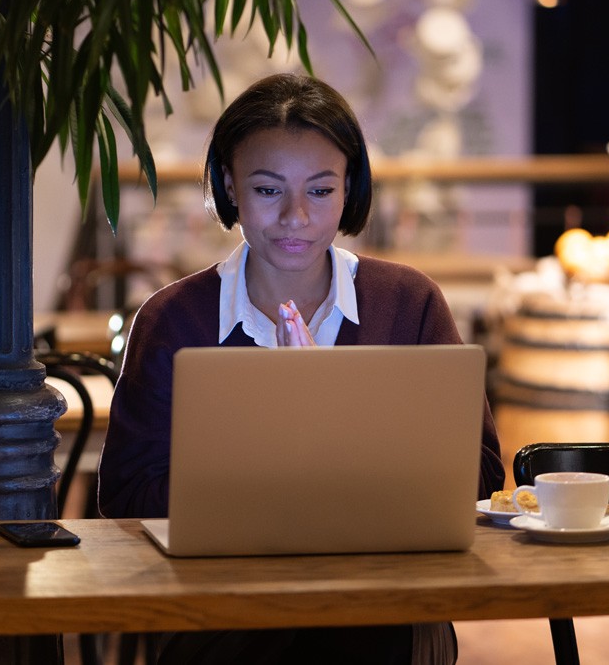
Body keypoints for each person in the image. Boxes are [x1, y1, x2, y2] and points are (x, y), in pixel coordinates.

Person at [97, 72, 505, 664]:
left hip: (385, 602)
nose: (295, 216)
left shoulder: (409, 303)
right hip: (224, 607)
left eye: (320, 190)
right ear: (230, 185)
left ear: (349, 188)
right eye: (268, 189)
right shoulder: (172, 319)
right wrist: (287, 431)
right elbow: (127, 496)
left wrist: (325, 417)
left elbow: (480, 475)